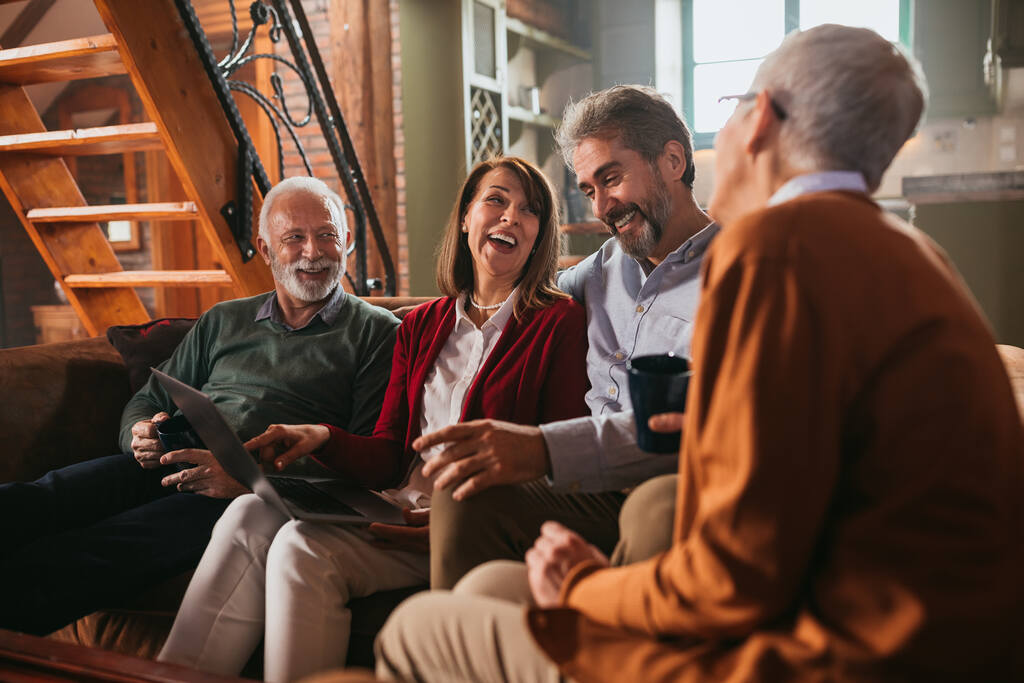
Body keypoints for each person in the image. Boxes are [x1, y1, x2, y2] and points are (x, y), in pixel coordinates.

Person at [376, 25, 1024, 681]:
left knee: (414, 630)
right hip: (928, 639)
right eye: (587, 187)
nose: (599, 204)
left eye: (733, 110)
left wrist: (582, 587)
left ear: (760, 119)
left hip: (824, 657)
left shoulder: (771, 251)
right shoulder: (915, 253)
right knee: (499, 578)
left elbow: (732, 574)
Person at [156, 157, 590, 683]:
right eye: (496, 200)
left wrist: (461, 517)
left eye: (530, 210)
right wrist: (320, 438)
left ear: (540, 232)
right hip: (395, 507)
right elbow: (388, 455)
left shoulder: (559, 321)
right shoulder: (423, 325)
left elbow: (559, 457)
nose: (510, 217)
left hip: (471, 527)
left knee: (299, 548)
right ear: (466, 218)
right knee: (250, 511)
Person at [0, 176, 398, 636]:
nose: (313, 251)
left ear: (346, 242)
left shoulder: (378, 334)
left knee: (99, 550)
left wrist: (250, 478)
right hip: (168, 462)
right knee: (45, 496)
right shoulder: (225, 320)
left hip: (244, 495)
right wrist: (140, 434)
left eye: (327, 234)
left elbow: (366, 458)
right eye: (294, 238)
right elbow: (149, 398)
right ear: (267, 251)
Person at [424, 85, 720, 589]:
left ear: (673, 159)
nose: (602, 205)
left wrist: (543, 448)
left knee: (654, 511)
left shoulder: (740, 276)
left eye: (612, 178)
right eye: (588, 189)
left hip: (674, 488)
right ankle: (454, 645)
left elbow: (710, 431)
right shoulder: (598, 270)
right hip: (592, 491)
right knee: (461, 490)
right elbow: (511, 301)